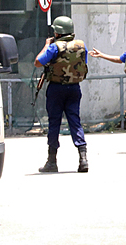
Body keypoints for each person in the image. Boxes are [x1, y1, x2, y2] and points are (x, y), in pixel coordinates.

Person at [35, 16, 89, 173]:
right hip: (74, 88)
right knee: (75, 121)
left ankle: (52, 161)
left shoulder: (54, 47)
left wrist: (46, 45)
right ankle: (83, 159)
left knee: (54, 123)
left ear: (57, 32)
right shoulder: (81, 45)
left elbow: (38, 62)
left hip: (56, 89)